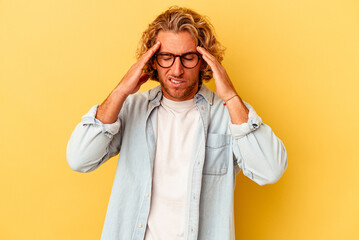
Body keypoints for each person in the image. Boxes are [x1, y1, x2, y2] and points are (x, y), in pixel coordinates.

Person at [66, 6, 287, 240]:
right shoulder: (131, 108)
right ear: (152, 61)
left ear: (204, 61)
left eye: (188, 58)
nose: (177, 69)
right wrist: (121, 90)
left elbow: (270, 170)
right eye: (166, 57)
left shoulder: (229, 114)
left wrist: (231, 96)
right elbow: (79, 158)